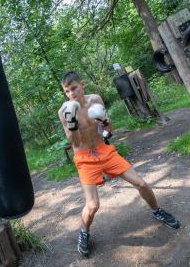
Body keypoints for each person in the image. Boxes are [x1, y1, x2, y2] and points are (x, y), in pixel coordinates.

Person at [58, 71, 180, 257]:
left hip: (105, 150)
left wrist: (106, 129)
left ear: (82, 85)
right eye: (67, 91)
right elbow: (74, 142)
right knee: (92, 206)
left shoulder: (95, 99)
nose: (71, 93)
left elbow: (107, 127)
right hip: (84, 158)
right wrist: (72, 124)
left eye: (74, 88)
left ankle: (157, 211)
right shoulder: (64, 111)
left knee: (141, 183)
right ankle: (84, 232)